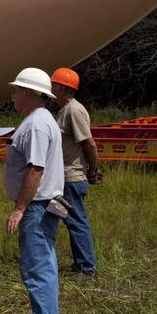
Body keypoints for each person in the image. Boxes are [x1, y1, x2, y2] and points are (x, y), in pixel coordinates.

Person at [4, 68, 65, 314]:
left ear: (28, 93)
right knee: (43, 262)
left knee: (37, 265)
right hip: (41, 205)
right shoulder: (40, 120)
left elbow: (35, 169)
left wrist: (19, 208)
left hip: (36, 206)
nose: (13, 95)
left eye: (16, 90)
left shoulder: (37, 125)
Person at [51, 67, 99, 278]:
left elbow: (89, 144)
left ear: (62, 88)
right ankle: (81, 264)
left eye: (54, 85)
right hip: (65, 177)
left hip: (72, 177)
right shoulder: (64, 110)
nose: (51, 88)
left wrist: (93, 170)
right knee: (70, 220)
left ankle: (86, 268)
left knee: (76, 220)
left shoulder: (73, 111)